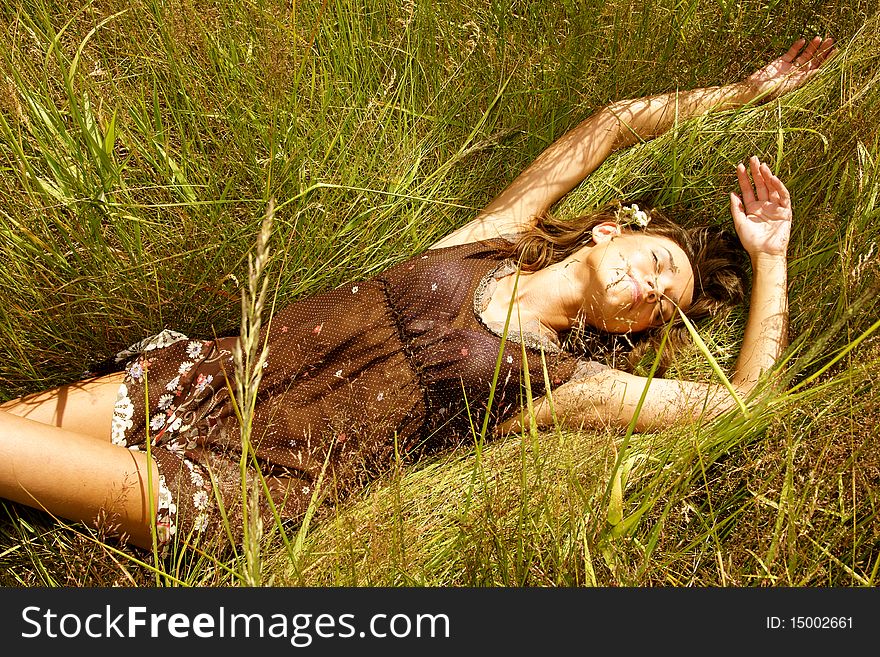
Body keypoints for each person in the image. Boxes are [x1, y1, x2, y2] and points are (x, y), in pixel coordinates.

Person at [0, 37, 835, 550]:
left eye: (664, 300)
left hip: (248, 486)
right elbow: (612, 122)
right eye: (658, 260)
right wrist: (743, 95)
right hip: (209, 375)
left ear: (635, 328)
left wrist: (774, 256)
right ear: (611, 232)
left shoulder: (564, 385)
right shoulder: (489, 238)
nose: (651, 286)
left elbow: (745, 398)